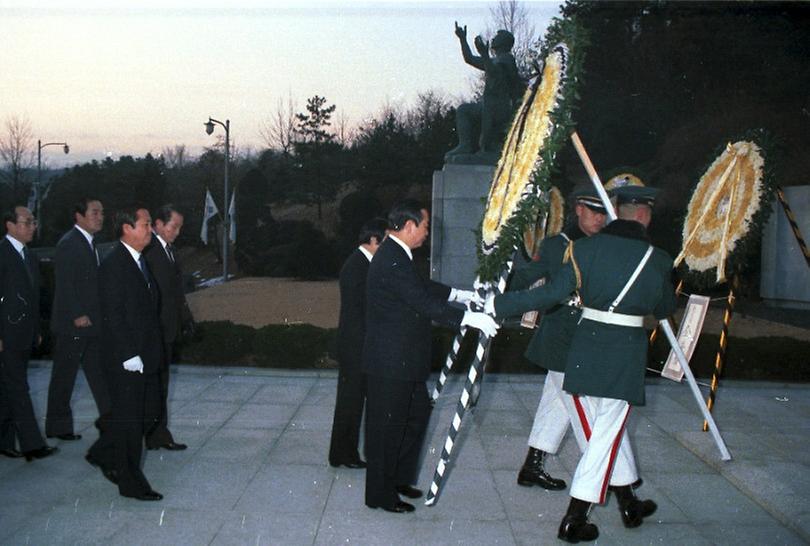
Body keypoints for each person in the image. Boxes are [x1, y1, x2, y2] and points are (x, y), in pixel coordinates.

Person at [489, 186, 675, 542]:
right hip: (624, 355)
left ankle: (628, 503)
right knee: (604, 433)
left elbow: (547, 294)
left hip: (584, 350)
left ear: (617, 210)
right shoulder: (658, 257)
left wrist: (497, 305)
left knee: (602, 431)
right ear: (644, 215)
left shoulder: (583, 250)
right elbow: (664, 309)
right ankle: (575, 518)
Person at [363, 199, 498, 514]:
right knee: (388, 429)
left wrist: (458, 295)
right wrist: (467, 318)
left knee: (416, 416)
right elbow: (420, 301)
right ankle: (380, 495)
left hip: (403, 360)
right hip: (390, 362)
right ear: (409, 227)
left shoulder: (397, 255)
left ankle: (397, 479)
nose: (427, 233)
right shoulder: (392, 259)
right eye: (425, 227)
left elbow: (420, 287)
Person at [510, 185, 607, 490]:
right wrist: (499, 279)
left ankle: (532, 466)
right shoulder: (556, 245)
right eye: (593, 211)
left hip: (590, 336)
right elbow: (528, 275)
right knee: (583, 409)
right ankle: (615, 480)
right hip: (562, 337)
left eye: (604, 212)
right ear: (578, 209)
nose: (599, 219)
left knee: (556, 403)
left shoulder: (607, 246)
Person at [93, 206, 164, 501]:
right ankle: (131, 483)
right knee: (132, 421)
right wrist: (128, 354)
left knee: (148, 413)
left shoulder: (138, 260)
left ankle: (103, 453)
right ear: (126, 228)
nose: (151, 229)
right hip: (126, 359)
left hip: (144, 354)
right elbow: (112, 315)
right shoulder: (114, 264)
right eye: (145, 224)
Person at [45, 198, 111, 441]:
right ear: (79, 216)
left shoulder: (89, 243)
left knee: (99, 374)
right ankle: (57, 428)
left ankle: (111, 422)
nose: (100, 216)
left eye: (101, 212)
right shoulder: (69, 243)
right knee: (64, 376)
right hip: (74, 324)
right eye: (94, 212)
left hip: (92, 324)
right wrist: (77, 314)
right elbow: (65, 284)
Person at [328, 217, 388, 469]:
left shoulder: (362, 263)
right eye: (385, 241)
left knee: (351, 402)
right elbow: (364, 309)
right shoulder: (358, 267)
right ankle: (344, 455)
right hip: (355, 346)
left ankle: (342, 454)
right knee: (350, 403)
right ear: (373, 241)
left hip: (357, 344)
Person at [0, 206, 58, 461]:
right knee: (18, 387)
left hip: (23, 333)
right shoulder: (1, 254)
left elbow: (33, 298)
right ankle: (32, 445)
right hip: (6, 334)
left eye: (33, 222)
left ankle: (3, 440)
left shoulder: (29, 256)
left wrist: (36, 330)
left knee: (8, 388)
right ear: (10, 225)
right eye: (27, 222)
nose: (33, 226)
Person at [143, 204, 191, 451]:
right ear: (158, 225)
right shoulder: (150, 253)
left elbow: (176, 292)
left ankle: (158, 434)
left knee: (161, 384)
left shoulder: (170, 251)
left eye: (180, 227)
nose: (177, 232)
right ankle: (153, 434)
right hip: (155, 331)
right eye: (174, 226)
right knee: (153, 386)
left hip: (168, 330)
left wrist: (186, 319)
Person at [445, 22, 524, 164]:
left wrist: (485, 55)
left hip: (500, 108)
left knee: (483, 138)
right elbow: (469, 59)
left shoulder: (507, 58)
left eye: (497, 37)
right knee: (464, 110)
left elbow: (495, 73)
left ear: (504, 42)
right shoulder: (495, 60)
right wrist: (463, 39)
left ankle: (485, 150)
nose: (493, 39)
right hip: (489, 105)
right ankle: (466, 145)